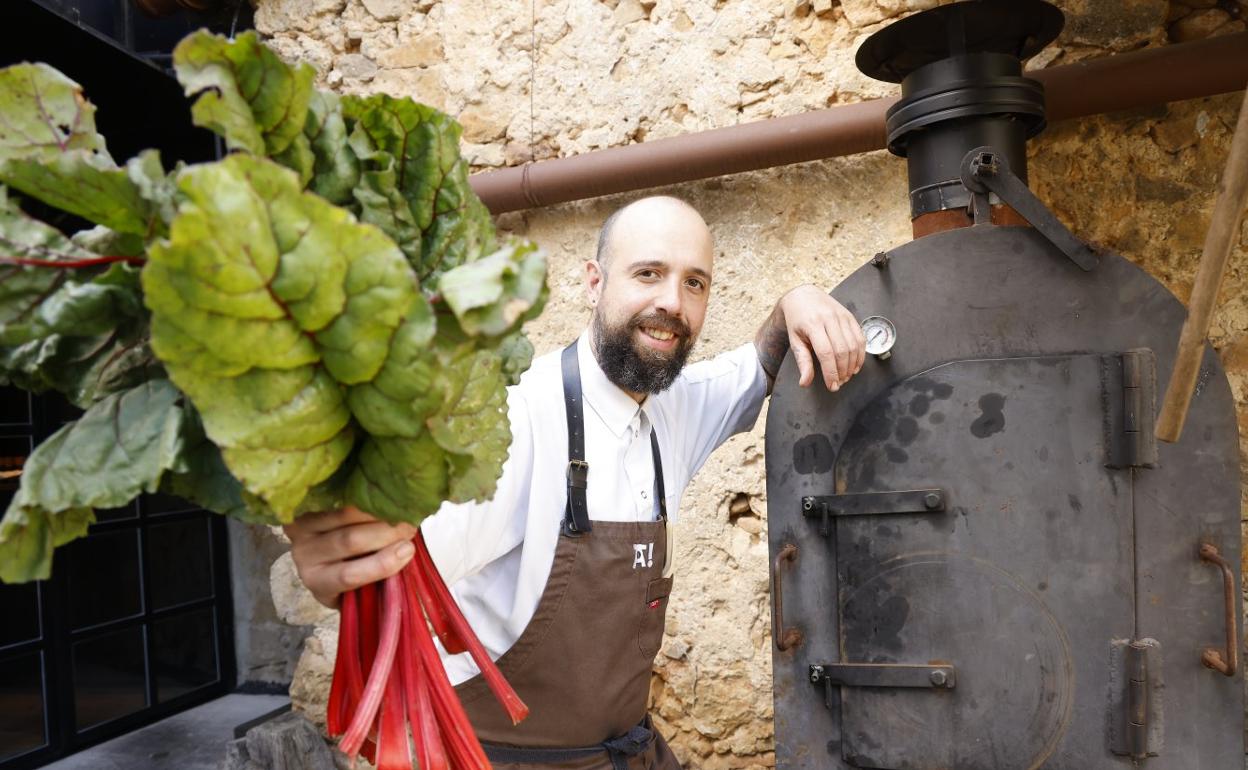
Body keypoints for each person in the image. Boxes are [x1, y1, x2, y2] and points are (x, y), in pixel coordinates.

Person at [285, 196, 866, 769]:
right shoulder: (514, 421)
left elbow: (757, 365)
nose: (672, 302)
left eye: (695, 283)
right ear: (594, 282)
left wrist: (797, 301)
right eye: (648, 273)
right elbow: (400, 554)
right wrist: (339, 544)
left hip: (620, 753)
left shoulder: (675, 408)